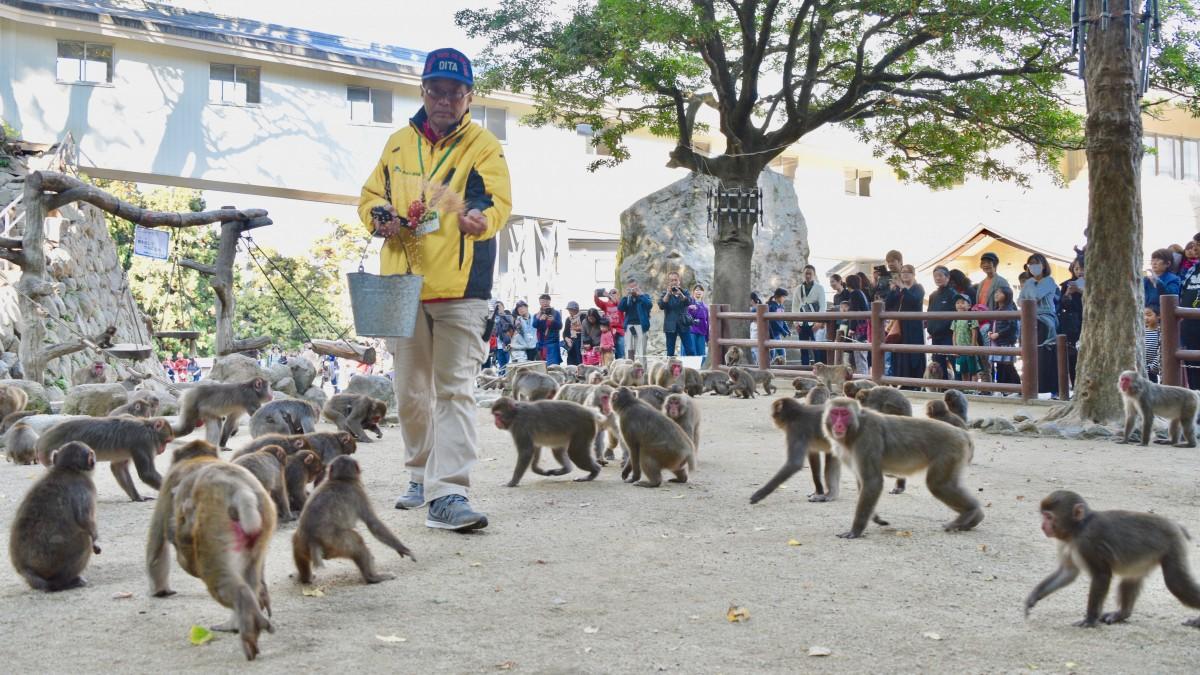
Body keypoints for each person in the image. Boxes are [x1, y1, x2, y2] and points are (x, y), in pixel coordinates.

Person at [359, 47, 512, 531]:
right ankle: (419, 476)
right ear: (423, 92)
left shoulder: (483, 145)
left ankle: (450, 492)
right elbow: (370, 196)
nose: (444, 99)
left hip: (462, 287)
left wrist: (480, 220)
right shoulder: (398, 143)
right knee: (409, 393)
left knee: (455, 390)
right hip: (402, 284)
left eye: (454, 92)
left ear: (469, 97)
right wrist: (377, 217)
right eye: (435, 90)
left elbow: (497, 201)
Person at [1019, 253, 1060, 397]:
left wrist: (1028, 299)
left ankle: (1055, 390)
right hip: (1029, 320)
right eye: (1030, 264)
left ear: (1043, 265)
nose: (1033, 267)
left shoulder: (1049, 281)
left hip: (1045, 319)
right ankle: (1030, 387)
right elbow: (1020, 301)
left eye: (1036, 263)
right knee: (1030, 356)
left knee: (1047, 355)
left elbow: (1035, 297)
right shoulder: (1029, 282)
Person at [886, 265, 926, 385]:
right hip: (900, 325)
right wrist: (893, 291)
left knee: (913, 353)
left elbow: (914, 301)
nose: (905, 274)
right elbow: (888, 305)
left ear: (913, 274)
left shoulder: (918, 288)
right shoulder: (899, 289)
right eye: (903, 272)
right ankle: (900, 381)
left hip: (913, 326)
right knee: (899, 354)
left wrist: (903, 288)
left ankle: (915, 383)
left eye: (908, 272)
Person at [1058, 256, 1085, 389]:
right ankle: (1075, 386)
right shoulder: (1067, 284)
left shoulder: (1094, 283)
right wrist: (1068, 294)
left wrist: (1080, 291)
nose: (1079, 271)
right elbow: (1063, 305)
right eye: (1076, 268)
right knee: (1072, 356)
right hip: (1073, 326)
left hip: (1088, 322)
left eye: (1082, 268)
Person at [925, 266, 957, 381]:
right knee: (938, 364)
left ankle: (959, 388)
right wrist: (930, 328)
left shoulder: (953, 294)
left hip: (949, 335)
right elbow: (929, 313)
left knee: (954, 362)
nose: (937, 278)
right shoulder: (933, 295)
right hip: (935, 335)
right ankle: (942, 389)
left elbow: (956, 314)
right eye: (935, 276)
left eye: (940, 275)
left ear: (947, 277)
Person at [791, 265, 826, 366]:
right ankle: (804, 369)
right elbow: (795, 306)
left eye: (810, 273)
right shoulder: (798, 289)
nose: (808, 276)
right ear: (803, 274)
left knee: (816, 348)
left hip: (814, 321)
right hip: (802, 322)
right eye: (806, 273)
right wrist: (796, 322)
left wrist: (819, 322)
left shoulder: (819, 288)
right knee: (803, 348)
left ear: (814, 275)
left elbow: (823, 306)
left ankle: (819, 369)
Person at [988, 286, 1020, 386]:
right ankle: (1003, 388)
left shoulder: (1009, 309)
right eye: (996, 292)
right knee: (1001, 366)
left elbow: (1012, 326)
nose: (996, 295)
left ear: (1007, 295)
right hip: (997, 342)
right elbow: (993, 323)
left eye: (1000, 293)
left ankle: (1015, 387)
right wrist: (990, 332)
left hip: (1005, 342)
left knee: (1007, 366)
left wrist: (998, 334)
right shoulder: (997, 309)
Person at [657, 272, 694, 357]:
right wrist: (668, 294)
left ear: (679, 281)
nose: (674, 282)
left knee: (690, 350)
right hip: (670, 325)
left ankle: (691, 369)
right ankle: (670, 369)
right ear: (668, 282)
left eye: (675, 280)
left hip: (684, 324)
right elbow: (661, 305)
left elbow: (688, 302)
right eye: (671, 280)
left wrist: (680, 293)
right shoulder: (664, 294)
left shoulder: (685, 292)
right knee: (670, 352)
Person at [619, 278, 652, 363]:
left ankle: (643, 373)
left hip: (641, 326)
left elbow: (649, 305)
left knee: (641, 351)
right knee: (629, 351)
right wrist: (626, 296)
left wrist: (640, 294)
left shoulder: (644, 296)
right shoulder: (627, 298)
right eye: (631, 287)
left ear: (638, 286)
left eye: (634, 287)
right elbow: (620, 308)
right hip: (629, 325)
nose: (633, 289)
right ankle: (630, 371)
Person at [843, 275, 870, 374]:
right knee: (861, 356)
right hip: (864, 328)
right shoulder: (861, 293)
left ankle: (863, 378)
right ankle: (863, 377)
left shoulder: (854, 294)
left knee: (860, 357)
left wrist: (852, 328)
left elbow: (854, 311)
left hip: (859, 329)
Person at [951, 294, 980, 383]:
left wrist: (972, 347)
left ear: (969, 306)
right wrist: (954, 347)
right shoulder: (955, 319)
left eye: (963, 303)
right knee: (963, 371)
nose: (960, 305)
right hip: (960, 350)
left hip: (970, 349)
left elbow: (974, 333)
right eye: (957, 303)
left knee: (973, 370)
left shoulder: (971, 318)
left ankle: (974, 388)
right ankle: (966, 388)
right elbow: (954, 334)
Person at [594, 288, 626, 359]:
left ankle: (621, 365)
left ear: (618, 294)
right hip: (609, 332)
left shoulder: (620, 303)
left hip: (620, 331)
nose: (612, 294)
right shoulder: (606, 304)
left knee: (621, 351)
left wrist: (609, 295)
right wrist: (596, 294)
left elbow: (620, 304)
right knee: (609, 352)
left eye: (614, 292)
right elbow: (598, 303)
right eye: (611, 292)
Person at [766, 288, 791, 362]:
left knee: (782, 355)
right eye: (783, 297)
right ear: (778, 297)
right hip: (771, 335)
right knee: (771, 355)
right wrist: (783, 331)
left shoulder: (781, 307)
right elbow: (773, 322)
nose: (784, 299)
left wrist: (787, 330)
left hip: (777, 335)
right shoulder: (771, 306)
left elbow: (782, 320)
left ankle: (782, 371)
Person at [687, 284, 710, 363]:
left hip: (702, 333)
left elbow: (708, 322)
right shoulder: (689, 304)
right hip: (692, 332)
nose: (698, 291)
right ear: (693, 292)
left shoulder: (705, 307)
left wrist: (708, 338)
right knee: (692, 353)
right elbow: (686, 317)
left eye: (700, 290)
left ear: (703, 293)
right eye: (696, 290)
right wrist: (689, 308)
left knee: (701, 353)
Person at [493, 301, 513, 374]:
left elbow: (511, 328)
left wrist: (502, 316)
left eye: (499, 306)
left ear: (503, 307)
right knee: (501, 368)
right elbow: (493, 332)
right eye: (496, 307)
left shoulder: (509, 317)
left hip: (508, 346)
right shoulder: (494, 319)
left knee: (509, 367)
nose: (497, 308)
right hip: (498, 347)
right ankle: (500, 383)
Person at [562, 300, 583, 366]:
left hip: (580, 340)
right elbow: (565, 332)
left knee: (580, 359)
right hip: (571, 341)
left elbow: (586, 329)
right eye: (569, 310)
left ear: (576, 309)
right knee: (571, 360)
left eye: (571, 309)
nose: (570, 311)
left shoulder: (583, 316)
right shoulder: (568, 319)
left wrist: (578, 328)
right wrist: (567, 339)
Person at [1144, 305, 1161, 383]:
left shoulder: (1160, 332)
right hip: (1141, 368)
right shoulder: (1141, 331)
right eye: (1143, 315)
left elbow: (1160, 352)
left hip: (1151, 371)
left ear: (1158, 316)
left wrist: (1152, 367)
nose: (1145, 318)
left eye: (1149, 315)